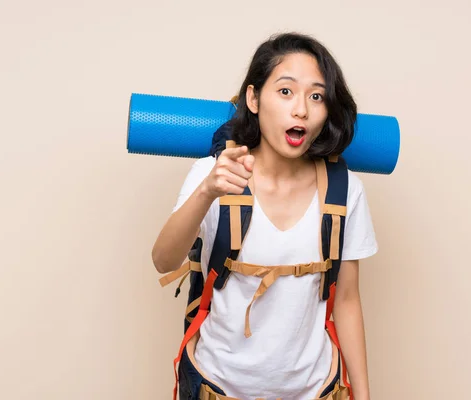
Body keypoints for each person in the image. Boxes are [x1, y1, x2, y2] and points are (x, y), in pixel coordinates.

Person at [152, 32, 378, 400]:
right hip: (218, 386)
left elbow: (348, 300)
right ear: (254, 99)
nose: (301, 109)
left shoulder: (344, 190)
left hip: (314, 388)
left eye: (316, 96)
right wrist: (208, 190)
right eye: (286, 91)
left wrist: (364, 396)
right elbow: (163, 261)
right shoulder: (213, 174)